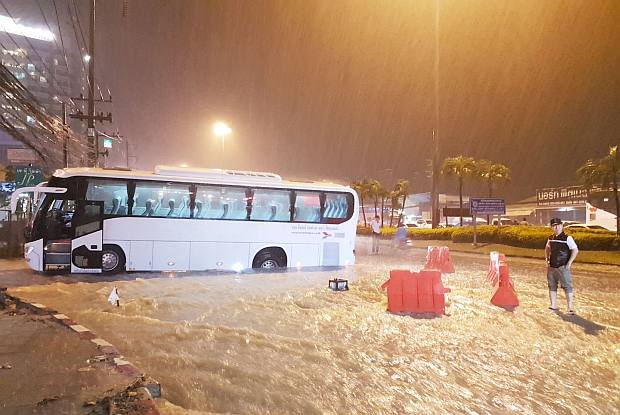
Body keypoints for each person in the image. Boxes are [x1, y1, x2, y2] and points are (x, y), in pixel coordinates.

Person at [545, 218, 578, 314]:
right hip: (552, 266)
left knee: (567, 286)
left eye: (558, 225)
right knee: (552, 285)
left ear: (562, 226)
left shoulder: (567, 238)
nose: (556, 227)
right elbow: (547, 248)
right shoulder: (550, 238)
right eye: (554, 226)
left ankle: (570, 308)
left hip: (563, 266)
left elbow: (575, 250)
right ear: (551, 227)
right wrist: (547, 259)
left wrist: (569, 263)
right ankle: (553, 305)